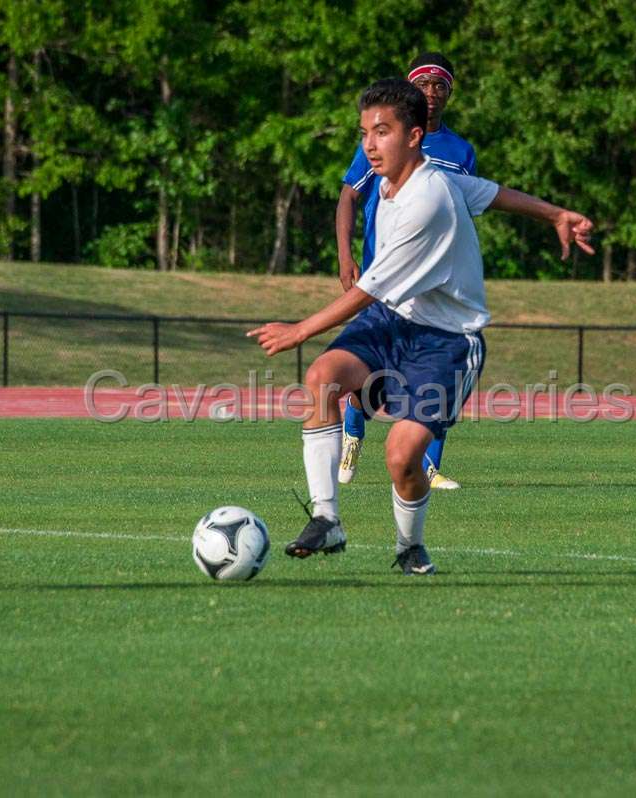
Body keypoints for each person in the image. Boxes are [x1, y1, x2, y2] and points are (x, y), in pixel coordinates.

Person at [248, 79, 593, 575]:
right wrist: (554, 213)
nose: (369, 143)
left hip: (447, 341)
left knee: (401, 456)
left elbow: (365, 291)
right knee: (322, 378)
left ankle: (409, 546)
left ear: (413, 137)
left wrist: (300, 331)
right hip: (395, 321)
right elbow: (492, 194)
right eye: (365, 131)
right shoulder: (398, 183)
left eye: (382, 131)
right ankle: (327, 519)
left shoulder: (427, 199)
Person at [336, 52, 474, 491]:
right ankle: (353, 433)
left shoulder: (461, 152)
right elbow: (347, 197)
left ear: (449, 94)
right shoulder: (386, 137)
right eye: (425, 85)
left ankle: (428, 465)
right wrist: (345, 257)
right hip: (384, 275)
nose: (431, 94)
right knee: (372, 364)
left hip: (436, 281)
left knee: (439, 372)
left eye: (441, 86)